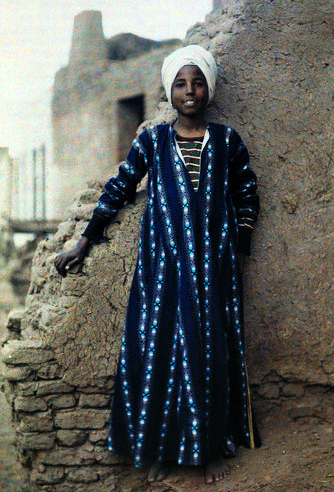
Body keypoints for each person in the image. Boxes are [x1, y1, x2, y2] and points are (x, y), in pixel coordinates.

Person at [54, 44, 261, 485]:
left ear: (209, 89)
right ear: (169, 91)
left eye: (198, 82)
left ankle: (208, 452)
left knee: (209, 353)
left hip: (213, 273)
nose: (190, 91)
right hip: (162, 272)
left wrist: (237, 242)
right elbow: (119, 188)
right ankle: (163, 449)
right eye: (181, 84)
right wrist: (83, 242)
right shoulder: (152, 140)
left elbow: (247, 191)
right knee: (160, 353)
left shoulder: (226, 142)